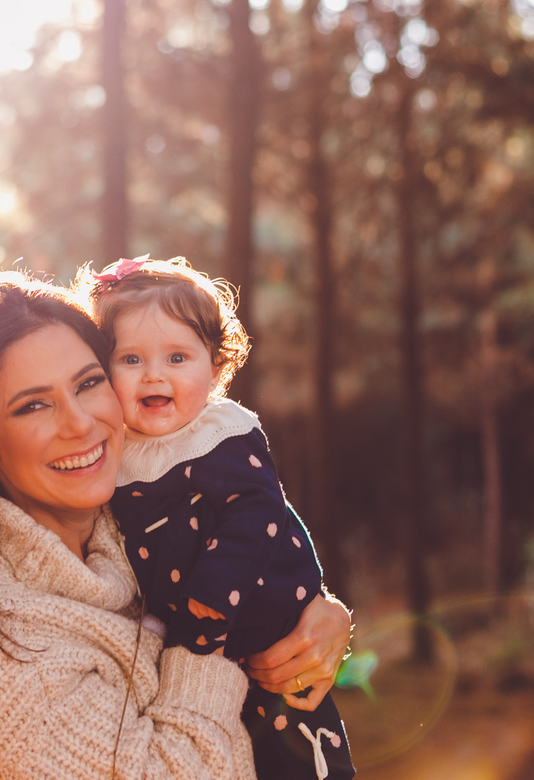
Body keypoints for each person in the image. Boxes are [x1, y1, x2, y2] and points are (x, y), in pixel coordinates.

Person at [0, 272, 352, 779]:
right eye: (32, 407)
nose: (79, 423)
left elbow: (251, 510)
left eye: (89, 382)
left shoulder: (124, 525)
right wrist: (217, 645)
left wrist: (315, 612)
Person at [79, 257, 355, 780]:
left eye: (178, 357)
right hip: (201, 663)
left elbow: (256, 517)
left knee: (300, 752)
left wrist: (205, 611)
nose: (154, 374)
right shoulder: (114, 456)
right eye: (131, 358)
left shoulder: (221, 436)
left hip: (261, 625)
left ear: (216, 366)